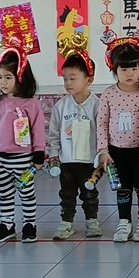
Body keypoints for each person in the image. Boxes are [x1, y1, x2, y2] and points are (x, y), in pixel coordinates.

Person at [0, 38, 46, 244]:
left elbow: (38, 129)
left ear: (21, 77)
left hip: (23, 158)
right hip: (1, 158)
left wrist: (39, 152)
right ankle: (7, 225)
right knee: (5, 193)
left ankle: (30, 224)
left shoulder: (31, 103)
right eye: (0, 77)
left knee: (26, 192)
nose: (2, 82)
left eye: (8, 77)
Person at [97, 36, 139, 243]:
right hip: (116, 151)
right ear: (114, 70)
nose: (129, 73)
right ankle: (124, 221)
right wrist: (103, 150)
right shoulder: (108, 94)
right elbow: (102, 123)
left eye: (133, 68)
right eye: (123, 69)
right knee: (122, 188)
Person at [48, 39, 101, 240]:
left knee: (89, 193)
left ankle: (92, 221)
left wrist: (102, 154)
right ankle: (66, 223)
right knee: (67, 194)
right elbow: (53, 133)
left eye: (72, 78)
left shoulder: (97, 105)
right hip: (67, 161)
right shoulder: (61, 106)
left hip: (89, 161)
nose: (68, 83)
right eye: (65, 79)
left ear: (88, 80)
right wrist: (54, 155)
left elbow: (103, 132)